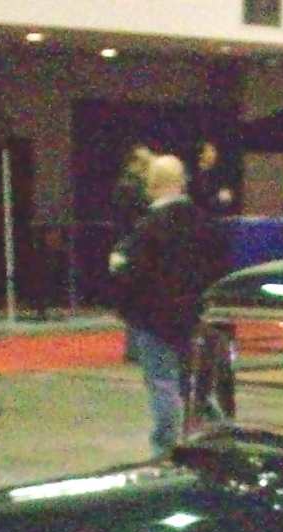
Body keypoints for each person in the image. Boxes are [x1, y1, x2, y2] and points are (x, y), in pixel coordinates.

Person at [108, 153, 227, 454]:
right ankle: (215, 435)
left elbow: (132, 272)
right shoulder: (204, 222)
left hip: (155, 318)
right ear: (182, 182)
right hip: (196, 314)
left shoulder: (148, 227)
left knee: (163, 382)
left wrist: (118, 268)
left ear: (152, 184)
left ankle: (166, 447)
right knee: (197, 383)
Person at [189, 141, 237, 216]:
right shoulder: (194, 176)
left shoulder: (217, 174)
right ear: (201, 154)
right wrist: (218, 198)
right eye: (211, 151)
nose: (214, 155)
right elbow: (200, 200)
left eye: (214, 151)